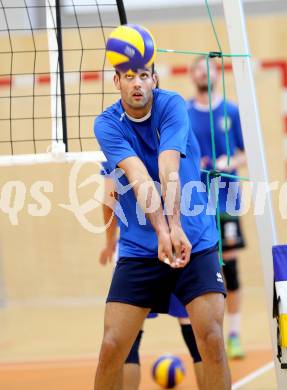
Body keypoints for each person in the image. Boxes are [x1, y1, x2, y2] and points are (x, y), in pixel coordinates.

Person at [93, 51, 231, 389]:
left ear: (154, 79)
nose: (137, 83)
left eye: (143, 75)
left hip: (194, 241)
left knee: (210, 338)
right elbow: (138, 177)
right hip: (140, 248)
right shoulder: (107, 124)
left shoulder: (172, 106)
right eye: (129, 76)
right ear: (117, 82)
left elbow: (168, 168)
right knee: (113, 346)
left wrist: (176, 227)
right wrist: (160, 231)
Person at [99, 171, 203, 389]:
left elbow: (109, 201)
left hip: (137, 253)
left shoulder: (117, 144)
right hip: (180, 246)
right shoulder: (177, 143)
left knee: (128, 342)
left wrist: (110, 243)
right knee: (200, 337)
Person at [188, 56, 247, 359]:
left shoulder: (231, 110)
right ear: (191, 76)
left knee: (231, 269)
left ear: (216, 74)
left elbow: (244, 154)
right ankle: (211, 335)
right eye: (197, 69)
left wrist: (230, 162)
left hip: (226, 198)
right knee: (203, 270)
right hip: (195, 202)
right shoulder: (184, 113)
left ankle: (234, 334)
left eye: (206, 69)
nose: (202, 73)